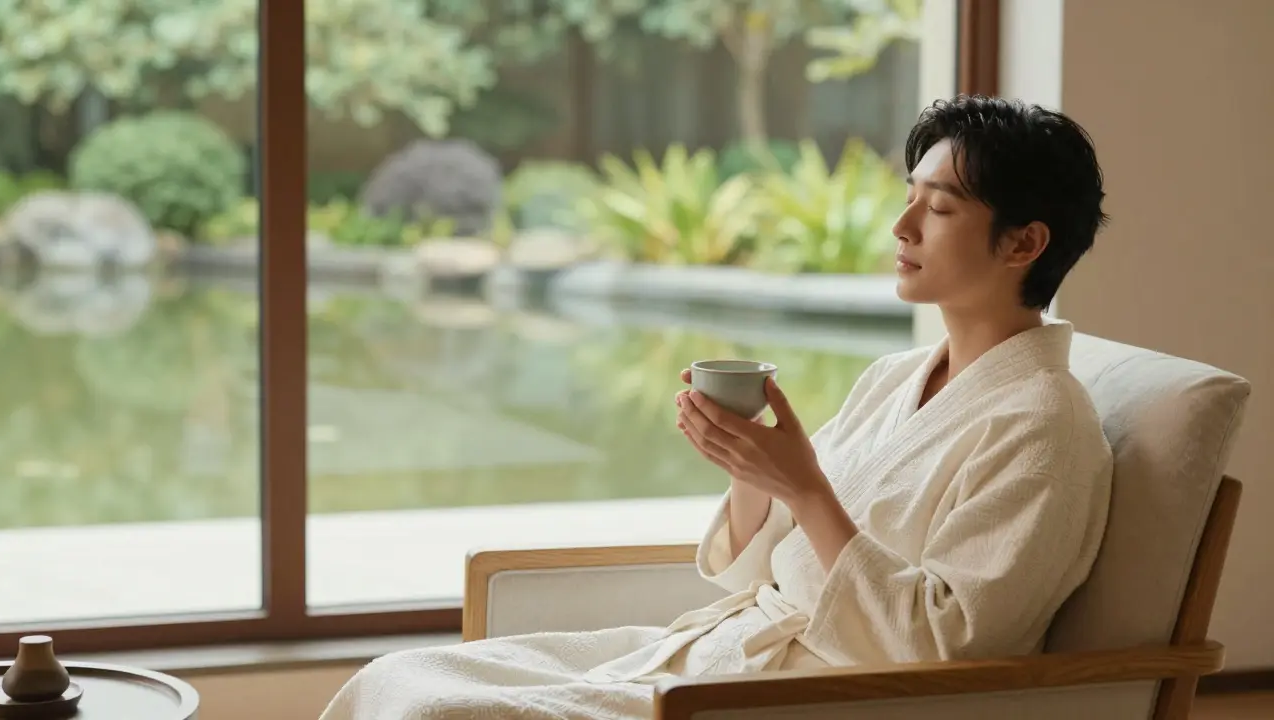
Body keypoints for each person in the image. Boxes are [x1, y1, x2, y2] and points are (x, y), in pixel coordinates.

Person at [319, 94, 1115, 720]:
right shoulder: (897, 376)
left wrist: (802, 487)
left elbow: (948, 652)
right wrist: (752, 469)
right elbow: (758, 563)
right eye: (909, 197)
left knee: (438, 712)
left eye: (937, 210)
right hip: (729, 656)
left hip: (804, 698)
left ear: (1023, 244)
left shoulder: (1044, 427)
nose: (900, 225)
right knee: (398, 678)